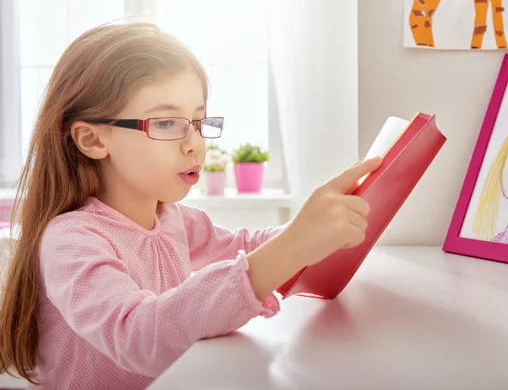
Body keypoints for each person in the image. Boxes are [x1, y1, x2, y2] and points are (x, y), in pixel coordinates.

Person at [0, 21, 381, 389]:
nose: (195, 144)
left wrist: (325, 224)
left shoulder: (172, 218)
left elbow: (247, 246)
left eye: (198, 121)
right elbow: (137, 335)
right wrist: (296, 243)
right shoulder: (71, 241)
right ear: (92, 140)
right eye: (167, 124)